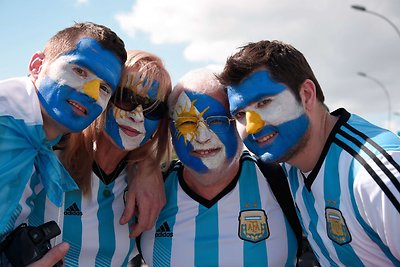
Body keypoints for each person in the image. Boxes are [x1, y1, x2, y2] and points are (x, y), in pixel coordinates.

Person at [218, 40, 400, 266]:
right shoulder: (290, 164)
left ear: (306, 95)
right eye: (240, 115)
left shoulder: (374, 173)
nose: (252, 126)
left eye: (264, 102)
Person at [139, 68, 299, 266]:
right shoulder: (149, 193)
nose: (203, 137)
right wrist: (141, 167)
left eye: (216, 121)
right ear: (172, 130)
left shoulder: (283, 179)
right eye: (188, 122)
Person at [27, 50, 172, 266]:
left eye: (154, 108)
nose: (138, 115)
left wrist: (148, 166)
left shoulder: (154, 181)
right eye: (126, 98)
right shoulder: (46, 151)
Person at [0, 21, 127, 265]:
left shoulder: (43, 139)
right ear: (37, 66)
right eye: (80, 71)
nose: (91, 93)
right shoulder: (7, 119)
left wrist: (147, 166)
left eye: (103, 88)